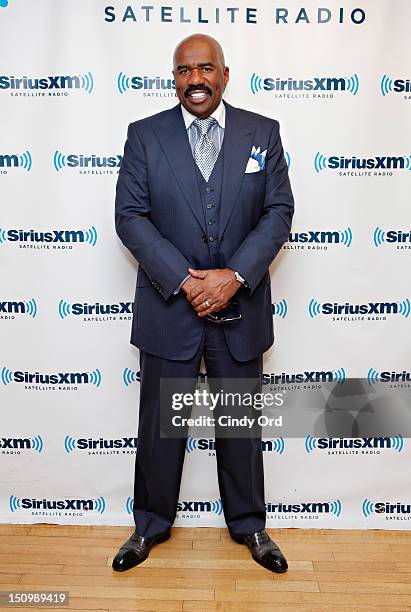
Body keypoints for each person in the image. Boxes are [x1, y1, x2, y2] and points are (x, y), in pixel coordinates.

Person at [112, 33, 294, 573]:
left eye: (206, 68)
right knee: (160, 428)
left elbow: (278, 211)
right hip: (170, 309)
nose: (196, 79)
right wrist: (187, 281)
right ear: (175, 78)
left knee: (239, 425)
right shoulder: (145, 136)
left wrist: (234, 276)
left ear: (225, 74)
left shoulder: (263, 133)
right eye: (185, 70)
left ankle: (251, 527)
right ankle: (148, 526)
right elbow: (130, 216)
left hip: (240, 308)